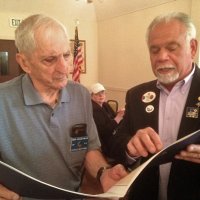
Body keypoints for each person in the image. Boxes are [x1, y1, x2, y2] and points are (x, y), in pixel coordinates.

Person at [0, 14, 128, 200]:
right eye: (50, 60)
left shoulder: (81, 95)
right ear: (24, 63)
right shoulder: (3, 100)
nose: (64, 68)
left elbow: (87, 147)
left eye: (66, 55)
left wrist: (103, 172)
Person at [110, 12, 200, 200]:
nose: (162, 57)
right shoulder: (136, 95)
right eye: (154, 50)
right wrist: (130, 148)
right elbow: (117, 139)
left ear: (192, 48)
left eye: (171, 48)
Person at [90, 83, 124, 160]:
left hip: (113, 135)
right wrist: (118, 117)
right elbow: (104, 131)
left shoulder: (105, 104)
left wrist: (119, 114)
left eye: (102, 93)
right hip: (104, 141)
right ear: (91, 95)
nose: (101, 96)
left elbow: (114, 117)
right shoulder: (93, 108)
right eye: (97, 94)